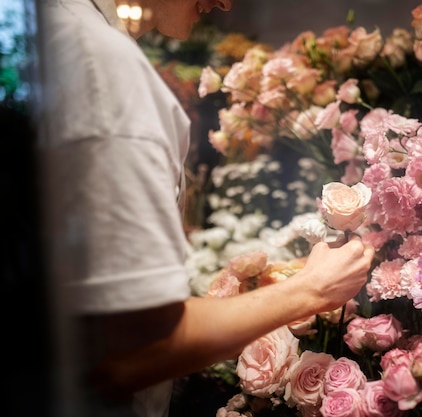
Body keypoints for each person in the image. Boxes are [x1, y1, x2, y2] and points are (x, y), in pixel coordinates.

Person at [37, 0, 375, 416]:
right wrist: (310, 290)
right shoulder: (103, 68)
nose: (226, 3)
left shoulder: (54, 29)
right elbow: (134, 349)